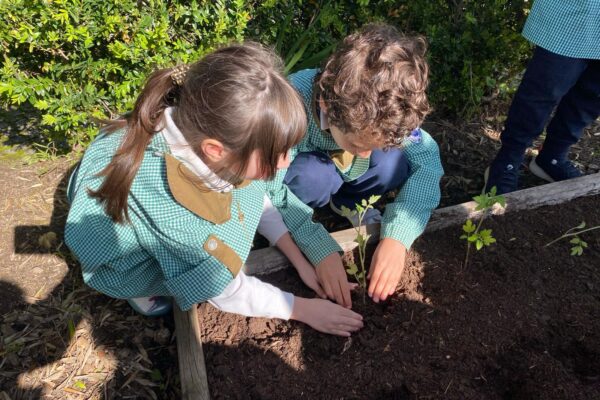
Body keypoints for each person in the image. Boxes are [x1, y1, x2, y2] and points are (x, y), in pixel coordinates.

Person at [65, 43, 363, 337]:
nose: (286, 164)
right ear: (215, 151)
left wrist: (299, 260)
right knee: (159, 272)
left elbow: (255, 196)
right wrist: (301, 309)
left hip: (132, 200)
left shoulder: (216, 135)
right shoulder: (173, 209)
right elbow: (225, 290)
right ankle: (142, 292)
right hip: (120, 260)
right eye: (278, 154)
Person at [280, 24, 443, 305]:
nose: (365, 156)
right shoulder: (288, 109)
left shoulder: (388, 108)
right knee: (312, 178)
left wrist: (398, 238)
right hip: (308, 174)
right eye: (358, 145)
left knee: (391, 160)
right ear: (327, 106)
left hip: (343, 168)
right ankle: (314, 207)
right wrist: (316, 244)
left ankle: (350, 204)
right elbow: (266, 189)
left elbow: (427, 159)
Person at [485, 0, 600, 194]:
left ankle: (552, 157)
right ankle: (508, 160)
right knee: (544, 87)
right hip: (576, 10)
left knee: (593, 94)